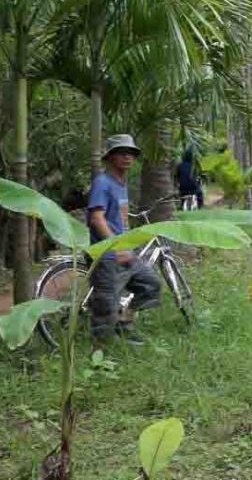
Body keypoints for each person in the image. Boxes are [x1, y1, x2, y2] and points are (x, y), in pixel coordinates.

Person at [88, 134, 164, 346]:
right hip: (107, 256)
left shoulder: (121, 183)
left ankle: (124, 323)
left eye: (131, 153)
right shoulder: (102, 183)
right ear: (110, 157)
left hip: (124, 253)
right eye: (122, 153)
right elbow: (97, 218)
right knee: (105, 305)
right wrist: (117, 246)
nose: (127, 157)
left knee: (150, 285)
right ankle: (100, 352)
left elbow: (118, 217)